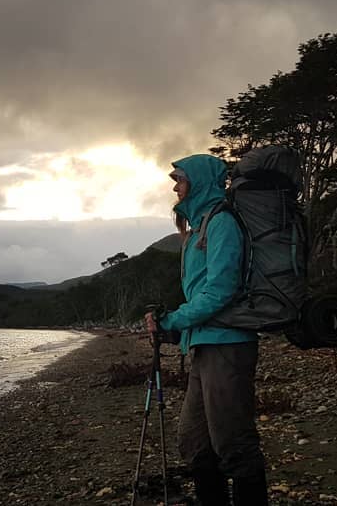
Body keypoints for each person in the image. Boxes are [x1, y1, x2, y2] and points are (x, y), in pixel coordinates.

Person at [144, 154, 268, 506]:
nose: (175, 186)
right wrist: (176, 325)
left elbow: (221, 289)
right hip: (205, 342)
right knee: (194, 440)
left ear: (198, 182)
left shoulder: (221, 223)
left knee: (233, 442)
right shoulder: (200, 225)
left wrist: (173, 321)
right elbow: (203, 290)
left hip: (229, 343)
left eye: (180, 179)